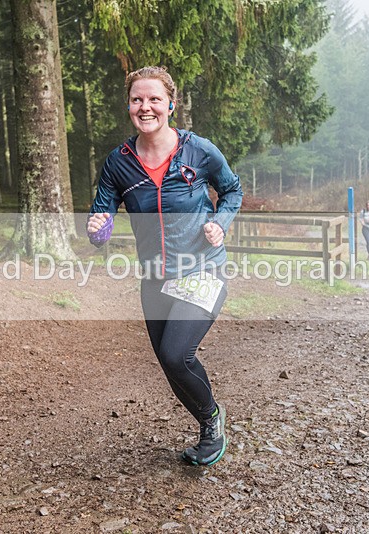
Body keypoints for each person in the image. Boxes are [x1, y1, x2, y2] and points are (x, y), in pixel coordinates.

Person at [86, 66, 243, 466]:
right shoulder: (118, 163)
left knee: (177, 354)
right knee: (169, 364)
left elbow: (232, 190)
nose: (146, 106)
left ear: (170, 104)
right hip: (154, 277)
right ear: (129, 105)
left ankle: (211, 423)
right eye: (138, 99)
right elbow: (100, 220)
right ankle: (209, 421)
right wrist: (98, 229)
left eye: (154, 99)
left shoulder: (199, 151)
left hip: (202, 268)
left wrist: (218, 224)